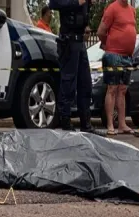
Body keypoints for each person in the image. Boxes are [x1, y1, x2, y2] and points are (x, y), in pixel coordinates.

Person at [49, 0, 100, 134]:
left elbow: (83, 13)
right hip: (68, 41)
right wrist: (78, 2)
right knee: (68, 83)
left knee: (85, 84)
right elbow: (53, 3)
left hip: (80, 41)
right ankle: (65, 122)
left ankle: (86, 124)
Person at [96, 0, 137, 135]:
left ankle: (122, 124)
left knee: (123, 90)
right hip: (113, 55)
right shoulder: (112, 8)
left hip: (127, 57)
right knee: (112, 89)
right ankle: (110, 124)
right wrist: (108, 45)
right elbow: (101, 31)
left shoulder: (132, 10)